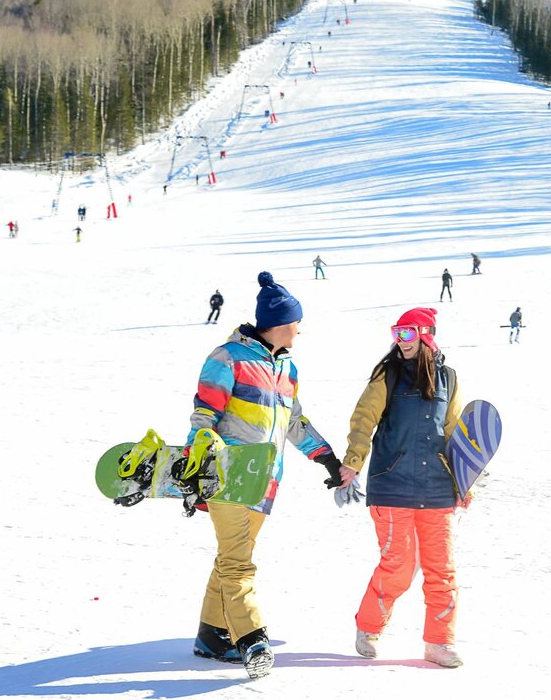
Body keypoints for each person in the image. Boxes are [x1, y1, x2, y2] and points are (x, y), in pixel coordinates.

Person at [188, 272, 343, 680]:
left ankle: (211, 634)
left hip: (265, 479)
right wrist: (198, 465)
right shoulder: (228, 358)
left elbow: (294, 421)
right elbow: (204, 415)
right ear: (278, 323)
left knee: (231, 556)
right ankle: (252, 638)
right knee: (239, 563)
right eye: (296, 322)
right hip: (228, 475)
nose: (299, 329)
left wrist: (325, 457)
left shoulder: (286, 368)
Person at [337, 307, 466, 668]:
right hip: (392, 486)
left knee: (442, 570)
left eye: (407, 333)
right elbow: (364, 419)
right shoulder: (387, 374)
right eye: (397, 333)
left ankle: (440, 642)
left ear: (425, 334)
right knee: (399, 565)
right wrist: (353, 461)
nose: (400, 341)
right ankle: (369, 627)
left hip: (437, 490)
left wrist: (464, 481)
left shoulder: (449, 379)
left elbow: (455, 432)